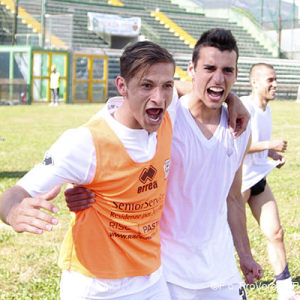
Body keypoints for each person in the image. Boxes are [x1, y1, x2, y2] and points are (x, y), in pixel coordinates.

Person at [0, 40, 249, 300]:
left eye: (166, 87)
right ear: (122, 87)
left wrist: (231, 98)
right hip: (95, 285)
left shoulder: (167, 115)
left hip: (151, 280)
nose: (159, 97)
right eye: (146, 85)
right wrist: (14, 211)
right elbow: (14, 194)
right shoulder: (86, 142)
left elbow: (195, 86)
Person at [65, 29, 264, 299]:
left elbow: (232, 198)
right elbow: (105, 141)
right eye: (209, 68)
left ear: (237, 74)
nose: (218, 78)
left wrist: (245, 255)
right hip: (167, 273)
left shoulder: (239, 127)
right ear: (191, 69)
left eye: (227, 70)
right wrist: (84, 187)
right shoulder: (164, 117)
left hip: (221, 273)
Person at [241, 63, 299, 300]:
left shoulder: (267, 109)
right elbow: (239, 145)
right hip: (238, 183)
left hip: (258, 179)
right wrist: (270, 145)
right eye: (270, 80)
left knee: (275, 232)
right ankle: (229, 289)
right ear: (254, 82)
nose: (275, 85)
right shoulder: (245, 107)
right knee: (227, 239)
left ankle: (285, 293)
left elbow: (258, 145)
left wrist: (272, 155)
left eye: (275, 80)